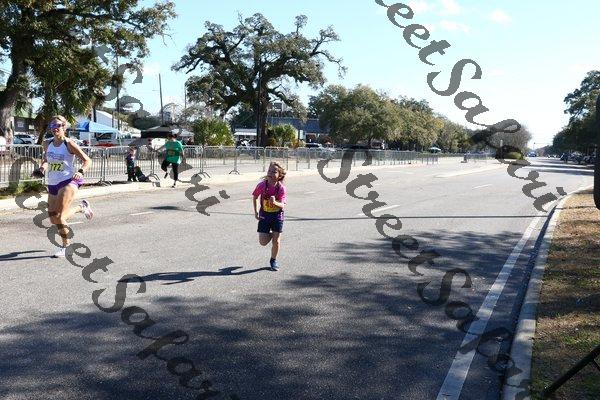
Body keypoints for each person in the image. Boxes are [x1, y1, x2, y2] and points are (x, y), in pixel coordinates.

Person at [37, 115, 94, 258]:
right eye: (52, 125)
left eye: (58, 125)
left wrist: (80, 171)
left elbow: (87, 160)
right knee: (53, 219)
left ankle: (66, 246)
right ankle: (81, 207)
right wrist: (42, 168)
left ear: (64, 127)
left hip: (68, 181)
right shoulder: (47, 143)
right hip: (53, 183)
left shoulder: (69, 144)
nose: (54, 128)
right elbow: (47, 159)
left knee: (60, 217)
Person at [252, 162, 287, 271]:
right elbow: (255, 197)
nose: (270, 173)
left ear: (279, 175)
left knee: (276, 241)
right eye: (269, 171)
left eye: (274, 172)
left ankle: (273, 260)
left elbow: (283, 205)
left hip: (277, 216)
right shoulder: (262, 185)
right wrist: (256, 211)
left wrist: (275, 202)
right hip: (264, 215)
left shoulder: (281, 188)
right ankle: (274, 235)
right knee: (262, 242)